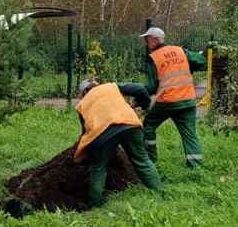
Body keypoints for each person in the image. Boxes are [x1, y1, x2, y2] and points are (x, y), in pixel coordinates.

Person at [74, 78, 164, 205]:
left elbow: (86, 132)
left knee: (100, 167)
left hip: (103, 133)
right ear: (96, 85)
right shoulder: (110, 86)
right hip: (131, 125)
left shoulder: (82, 105)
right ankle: (159, 193)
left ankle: (95, 203)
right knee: (143, 160)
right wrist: (145, 104)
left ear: (83, 92)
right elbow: (139, 89)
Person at [139, 26, 205, 167]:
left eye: (148, 40)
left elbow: (151, 86)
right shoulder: (181, 51)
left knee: (148, 126)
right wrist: (190, 67)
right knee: (189, 133)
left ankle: (150, 159)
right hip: (187, 100)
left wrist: (138, 97)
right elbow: (200, 61)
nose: (146, 44)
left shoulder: (154, 58)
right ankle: (196, 165)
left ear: (156, 40)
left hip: (167, 101)